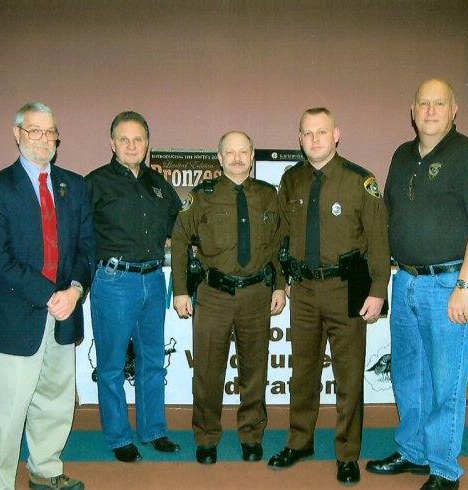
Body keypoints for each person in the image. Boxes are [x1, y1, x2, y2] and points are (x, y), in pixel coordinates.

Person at [366, 79, 468, 490]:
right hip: (405, 280)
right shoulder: (402, 156)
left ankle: (444, 469)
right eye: (423, 104)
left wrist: (465, 285)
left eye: (439, 103)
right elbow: (388, 217)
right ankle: (412, 451)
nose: (430, 111)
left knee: (447, 381)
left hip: (450, 284)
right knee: (409, 376)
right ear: (412, 111)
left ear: (454, 109)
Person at [0, 102, 95, 490]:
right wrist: (51, 295)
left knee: (55, 402)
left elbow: (86, 248)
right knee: (7, 412)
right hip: (15, 314)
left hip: (63, 312)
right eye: (34, 131)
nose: (44, 139)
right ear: (17, 135)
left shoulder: (73, 185)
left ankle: (44, 470)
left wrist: (75, 290)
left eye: (50, 132)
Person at [268, 107, 391, 485]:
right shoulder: (291, 181)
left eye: (321, 131)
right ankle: (300, 442)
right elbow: (279, 237)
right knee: (302, 373)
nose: (315, 139)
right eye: (307, 133)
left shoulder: (360, 180)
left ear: (336, 133)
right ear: (300, 138)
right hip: (303, 290)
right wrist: (279, 280)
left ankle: (347, 454)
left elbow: (379, 241)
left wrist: (377, 291)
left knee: (349, 376)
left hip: (346, 290)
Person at [171, 131, 287, 465]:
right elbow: (179, 240)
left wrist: (279, 284)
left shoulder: (268, 195)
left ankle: (252, 435)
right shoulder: (202, 196)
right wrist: (181, 289)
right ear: (219, 159)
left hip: (256, 294)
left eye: (243, 152)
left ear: (252, 157)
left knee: (254, 371)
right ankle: (206, 437)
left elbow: (278, 244)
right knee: (208, 371)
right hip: (214, 294)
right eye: (230, 153)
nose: (237, 159)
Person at [85, 111, 182, 463]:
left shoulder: (158, 184)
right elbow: (79, 234)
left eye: (138, 139)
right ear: (112, 143)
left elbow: (179, 225)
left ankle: (153, 430)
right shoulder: (94, 183)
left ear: (147, 144)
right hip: (114, 282)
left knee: (153, 361)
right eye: (124, 139)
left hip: (154, 281)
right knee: (111, 366)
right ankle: (117, 436)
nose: (131, 145)